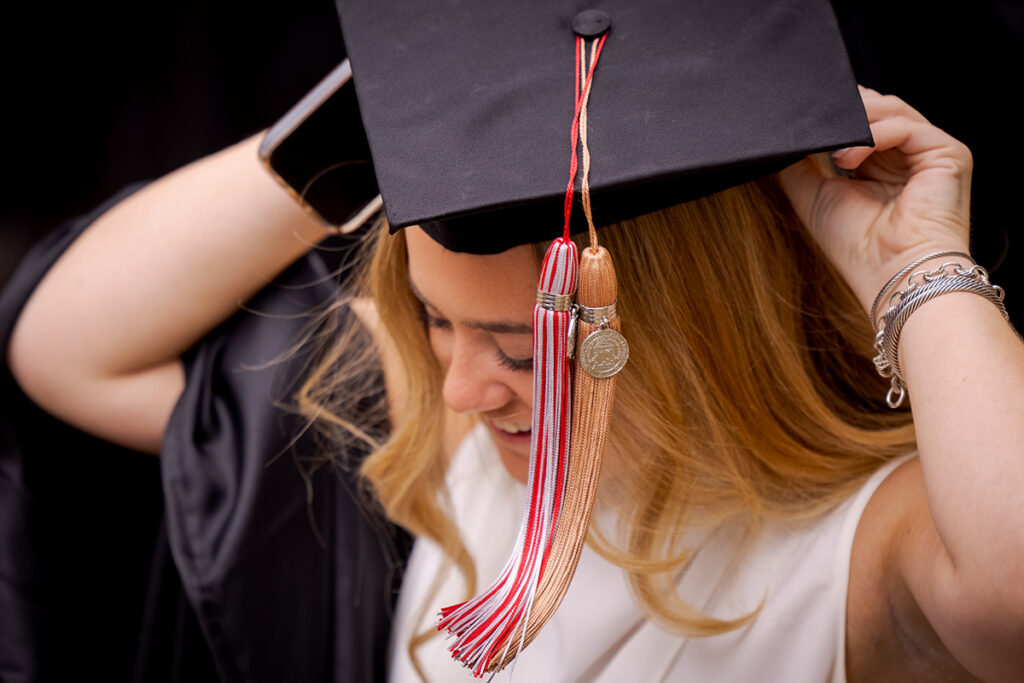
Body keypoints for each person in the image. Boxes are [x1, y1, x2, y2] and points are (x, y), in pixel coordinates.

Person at [4, 2, 1024, 682]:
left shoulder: (865, 547)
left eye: (523, 353)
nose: (458, 389)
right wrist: (386, 112)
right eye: (430, 319)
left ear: (698, 339)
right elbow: (69, 346)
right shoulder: (450, 441)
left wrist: (914, 265)